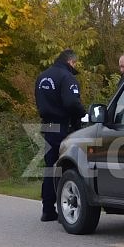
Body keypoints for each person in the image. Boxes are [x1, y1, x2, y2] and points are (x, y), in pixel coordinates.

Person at [35, 49, 87, 222]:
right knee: (68, 168)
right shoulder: (67, 77)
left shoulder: (42, 77)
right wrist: (82, 114)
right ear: (71, 62)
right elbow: (72, 103)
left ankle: (47, 209)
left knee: (50, 168)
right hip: (62, 128)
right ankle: (66, 210)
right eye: (75, 64)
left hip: (47, 126)